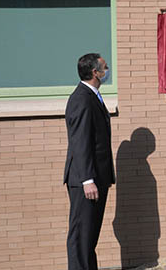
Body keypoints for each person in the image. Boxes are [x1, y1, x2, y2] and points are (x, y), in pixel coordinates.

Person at [64, 53, 116, 270]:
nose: (107, 71)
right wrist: (87, 179)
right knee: (81, 238)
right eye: (105, 67)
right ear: (95, 72)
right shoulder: (82, 99)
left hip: (96, 177)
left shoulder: (92, 96)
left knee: (89, 238)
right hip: (86, 180)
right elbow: (81, 141)